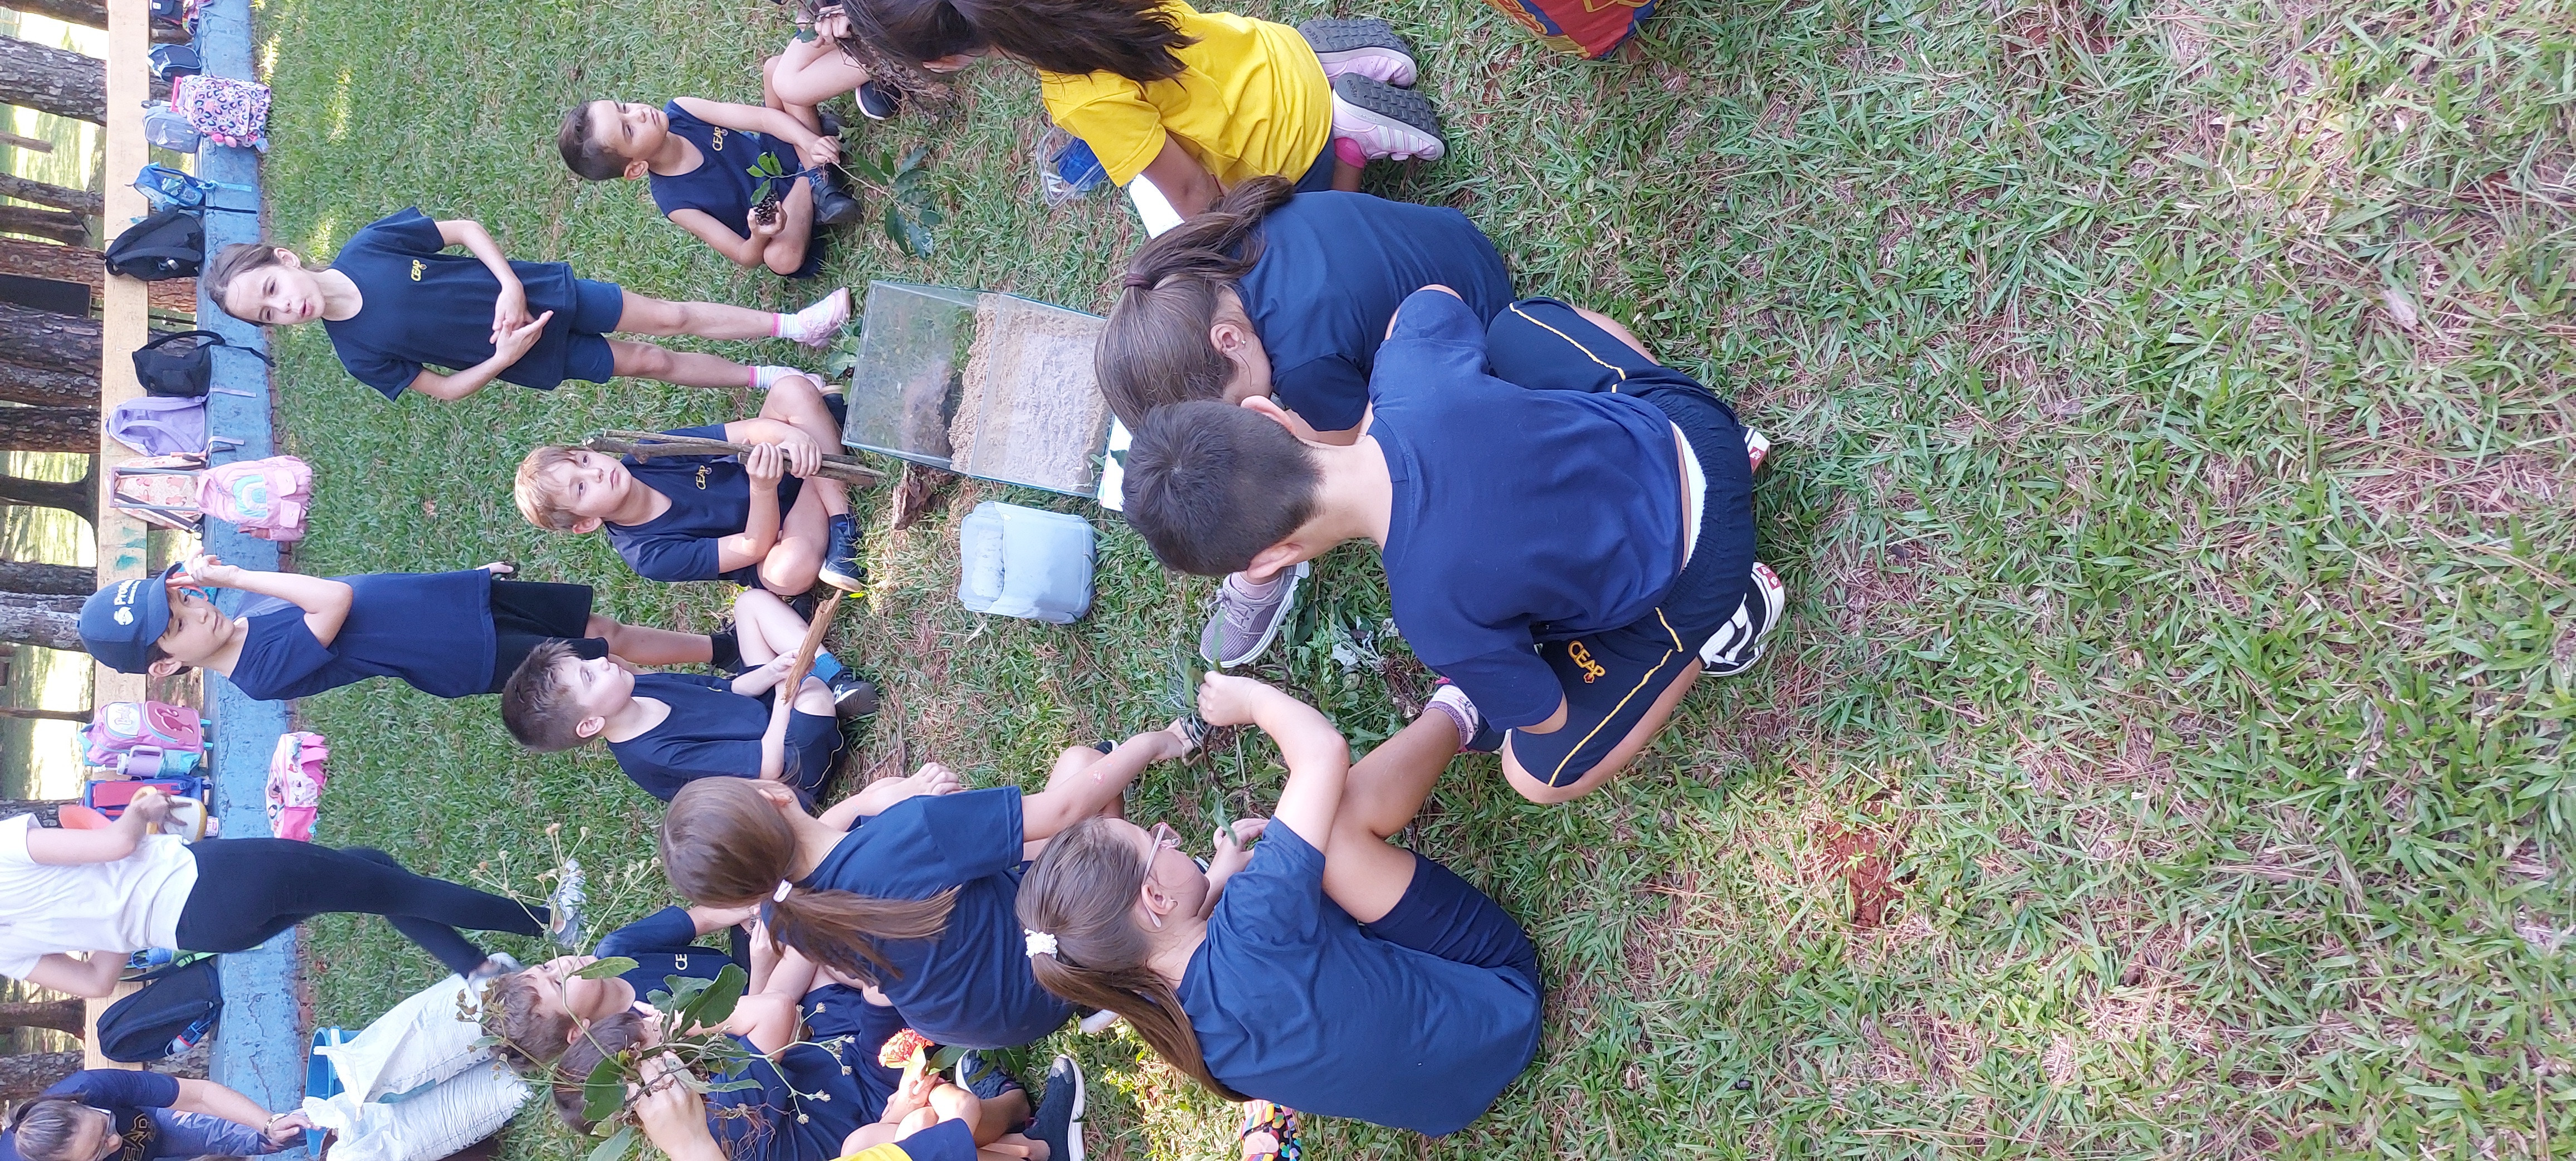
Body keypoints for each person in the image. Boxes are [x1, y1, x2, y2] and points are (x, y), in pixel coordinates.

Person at [1118, 287, 1785, 804]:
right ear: (1266, 413)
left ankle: (1720, 625)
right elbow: (1431, 302)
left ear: (1268, 560)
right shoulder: (1410, 375)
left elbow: (1546, 713)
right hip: (1690, 427)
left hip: (1704, 566)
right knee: (1514, 327)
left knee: (1533, 773)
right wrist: (1385, 412)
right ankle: (1740, 449)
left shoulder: (1431, 614)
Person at [1017, 673, 1542, 1135]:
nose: (1169, 837)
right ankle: (1464, 706)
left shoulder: (1167, 1022)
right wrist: (1250, 700)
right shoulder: (1256, 916)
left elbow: (1208, 947)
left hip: (1448, 1102)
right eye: (1157, 842)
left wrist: (1217, 879)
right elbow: (1321, 752)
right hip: (1501, 1000)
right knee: (1334, 829)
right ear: (1155, 898)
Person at [1094, 174, 1514, 667]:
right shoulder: (1229, 249)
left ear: (1228, 340)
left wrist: (1258, 493)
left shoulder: (1304, 365)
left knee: (1280, 477)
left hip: (1486, 328)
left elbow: (1346, 447)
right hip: (1454, 242)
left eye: (1229, 410)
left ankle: (1263, 565)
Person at [655, 720, 1198, 1048]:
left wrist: (868, 802)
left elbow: (830, 855)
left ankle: (1096, 985)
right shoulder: (911, 830)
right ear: (775, 795)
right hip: (1045, 967)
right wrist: (1152, 743)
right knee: (1085, 763)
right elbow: (1063, 810)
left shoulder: (784, 914)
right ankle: (1115, 957)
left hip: (987, 1021)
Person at [850, 0, 1443, 217]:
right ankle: (1327, 64)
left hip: (1287, 146)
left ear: (944, 60)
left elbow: (1192, 191)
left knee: (1286, 247)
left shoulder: (1077, 95)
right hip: (1269, 50)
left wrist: (1222, 253)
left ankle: (1349, 141)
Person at [201, 209, 849, 402]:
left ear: (285, 259)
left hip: (540, 292)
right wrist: (503, 358)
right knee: (650, 360)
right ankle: (773, 377)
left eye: (272, 290)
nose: (284, 308)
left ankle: (798, 326)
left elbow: (462, 230)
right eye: (268, 316)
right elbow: (444, 388)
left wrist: (509, 283)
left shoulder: (369, 246)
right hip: (531, 356)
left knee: (669, 316)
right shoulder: (357, 352)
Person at [539, 941, 1081, 1161]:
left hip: (851, 1081)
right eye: (649, 1035)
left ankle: (1015, 1131)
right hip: (868, 1091)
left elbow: (776, 1009)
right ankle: (1024, 1128)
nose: (660, 1020)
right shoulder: (726, 1112)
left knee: (850, 979)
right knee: (932, 1111)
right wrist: (694, 1021)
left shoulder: (712, 1101)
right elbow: (774, 1012)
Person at [0, 786, 549, 997]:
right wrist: (141, 808)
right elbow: (117, 844)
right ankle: (550, 921)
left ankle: (480, 971)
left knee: (372, 870)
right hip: (216, 880)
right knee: (400, 892)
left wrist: (116, 917)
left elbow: (97, 982)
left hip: (211, 931)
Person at [74, 555, 726, 702]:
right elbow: (334, 601)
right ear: (165, 664)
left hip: (458, 602)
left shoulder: (246, 616)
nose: (199, 610)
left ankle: (723, 648)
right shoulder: (259, 672)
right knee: (603, 668)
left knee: (601, 626)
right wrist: (238, 573)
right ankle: (725, 695)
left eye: (185, 599)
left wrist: (462, 578)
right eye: (178, 624)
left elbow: (373, 594)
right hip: (465, 651)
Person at [498, 589, 879, 802]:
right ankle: (826, 690)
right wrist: (785, 697)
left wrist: (772, 672)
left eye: (587, 662)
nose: (601, 662)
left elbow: (729, 689)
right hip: (787, 769)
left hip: (758, 713)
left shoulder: (636, 689)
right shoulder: (655, 753)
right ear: (591, 724)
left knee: (750, 605)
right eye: (589, 676)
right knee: (811, 695)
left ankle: (835, 677)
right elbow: (768, 768)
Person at [513, 372, 863, 596]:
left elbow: (747, 431)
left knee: (791, 389)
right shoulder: (648, 556)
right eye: (581, 489)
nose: (596, 474)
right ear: (587, 523)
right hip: (777, 534)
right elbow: (753, 547)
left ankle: (841, 522)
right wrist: (763, 487)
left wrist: (791, 438)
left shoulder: (648, 452)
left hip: (774, 467)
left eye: (584, 461)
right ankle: (826, 435)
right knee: (787, 574)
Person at [557, 97, 860, 279]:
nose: (638, 113)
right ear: (636, 168)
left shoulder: (681, 110)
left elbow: (762, 118)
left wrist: (806, 140)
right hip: (783, 214)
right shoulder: (674, 201)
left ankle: (814, 154)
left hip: (774, 154)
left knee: (776, 71)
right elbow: (744, 255)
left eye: (624, 107)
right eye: (629, 129)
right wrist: (759, 235)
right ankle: (815, 176)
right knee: (781, 260)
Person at [1, 1069, 313, 1161]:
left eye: (106, 1125)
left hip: (157, 1130)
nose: (116, 1141)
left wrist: (268, 1123)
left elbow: (200, 1095)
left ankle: (327, 1126)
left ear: (79, 1104)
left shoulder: (92, 1087)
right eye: (98, 1151)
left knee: (256, 1136)